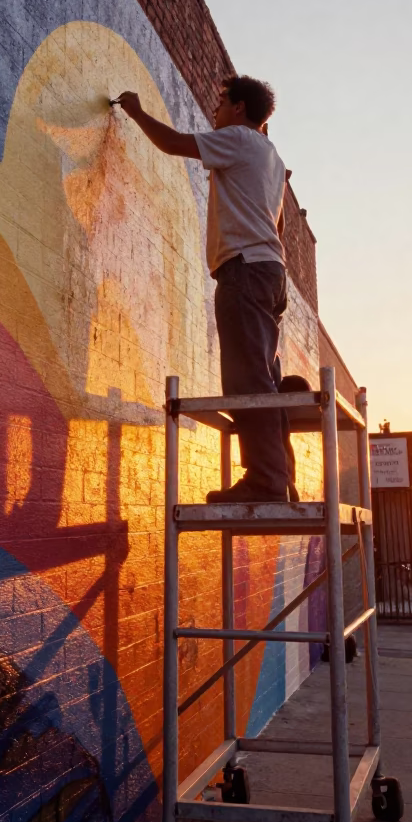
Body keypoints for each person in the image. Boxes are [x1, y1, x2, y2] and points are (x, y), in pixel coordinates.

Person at [114, 75, 290, 503]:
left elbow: (174, 143)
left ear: (240, 110)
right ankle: (278, 476)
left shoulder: (239, 139)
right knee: (263, 378)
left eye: (221, 101)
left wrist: (136, 111)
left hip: (244, 271)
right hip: (270, 270)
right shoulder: (271, 156)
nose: (215, 110)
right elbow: (279, 225)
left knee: (247, 380)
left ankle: (266, 482)